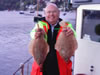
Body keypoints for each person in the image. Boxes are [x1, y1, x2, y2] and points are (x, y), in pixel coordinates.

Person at [29, 3, 77, 75]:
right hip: (42, 67)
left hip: (60, 67)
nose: (51, 14)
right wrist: (36, 34)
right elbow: (32, 33)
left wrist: (71, 33)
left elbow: (74, 34)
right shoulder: (40, 24)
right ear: (45, 14)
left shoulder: (66, 25)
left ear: (59, 13)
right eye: (49, 12)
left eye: (54, 12)